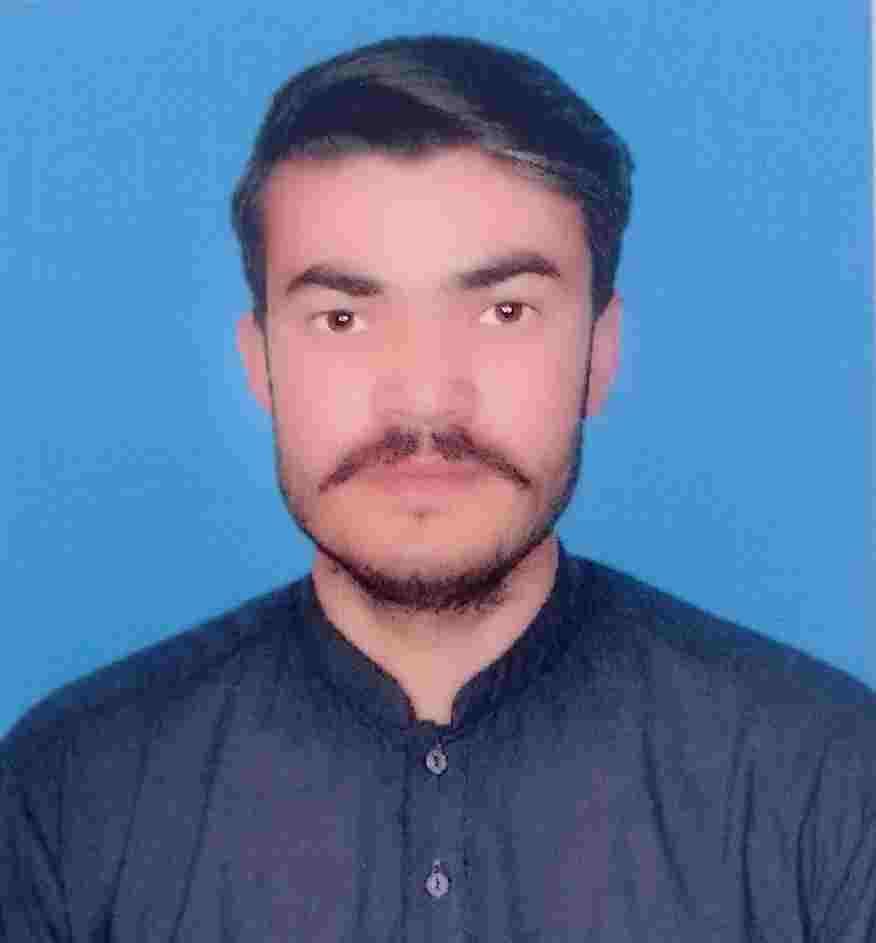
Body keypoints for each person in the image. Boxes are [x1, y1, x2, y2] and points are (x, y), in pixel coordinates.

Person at [1, 33, 873, 942]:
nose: (424, 399)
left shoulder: (830, 784)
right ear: (260, 364)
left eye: (505, 311)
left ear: (600, 353)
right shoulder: (66, 795)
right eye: (343, 317)